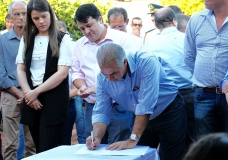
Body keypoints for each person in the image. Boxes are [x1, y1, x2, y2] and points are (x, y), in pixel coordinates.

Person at [86, 43, 187, 160]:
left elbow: (145, 104)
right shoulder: (102, 78)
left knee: (172, 155)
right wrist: (97, 136)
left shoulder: (146, 61)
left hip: (169, 111)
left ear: (124, 62)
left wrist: (133, 139)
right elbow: (102, 110)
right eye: (105, 74)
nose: (109, 79)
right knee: (140, 156)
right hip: (139, 116)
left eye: (114, 73)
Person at [72, 3, 136, 144]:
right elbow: (76, 73)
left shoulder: (123, 39)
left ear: (100, 19)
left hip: (119, 105)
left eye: (89, 25)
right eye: (82, 28)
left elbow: (130, 73)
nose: (86, 31)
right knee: (94, 146)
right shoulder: (78, 45)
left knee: (118, 150)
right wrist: (82, 87)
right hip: (92, 107)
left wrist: (96, 89)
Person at [16, 0, 72, 153]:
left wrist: (36, 92)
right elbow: (21, 69)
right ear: (30, 19)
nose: (41, 21)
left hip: (53, 99)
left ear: (50, 14)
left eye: (44, 16)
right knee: (38, 148)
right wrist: (29, 94)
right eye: (36, 18)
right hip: (32, 99)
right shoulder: (27, 38)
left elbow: (62, 73)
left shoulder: (63, 38)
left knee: (48, 148)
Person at [184, 0, 228, 138]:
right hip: (203, 94)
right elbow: (189, 56)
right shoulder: (196, 19)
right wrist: (203, 79)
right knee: (205, 147)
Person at [145, 7, 196, 147]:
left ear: (155, 24)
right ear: (174, 21)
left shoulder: (150, 42)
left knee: (170, 140)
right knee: (191, 137)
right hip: (189, 93)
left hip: (163, 96)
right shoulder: (186, 38)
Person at [0, 1, 36, 159]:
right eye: (17, 14)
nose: (21, 18)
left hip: (33, 95)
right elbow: (0, 73)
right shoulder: (2, 41)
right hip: (10, 95)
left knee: (32, 143)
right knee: (11, 144)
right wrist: (19, 94)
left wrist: (28, 94)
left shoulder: (37, 39)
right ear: (10, 17)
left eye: (24, 14)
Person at [56, 20, 77, 145]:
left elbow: (76, 88)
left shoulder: (73, 56)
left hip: (69, 105)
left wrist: (57, 98)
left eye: (63, 35)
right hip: (49, 107)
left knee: (65, 141)